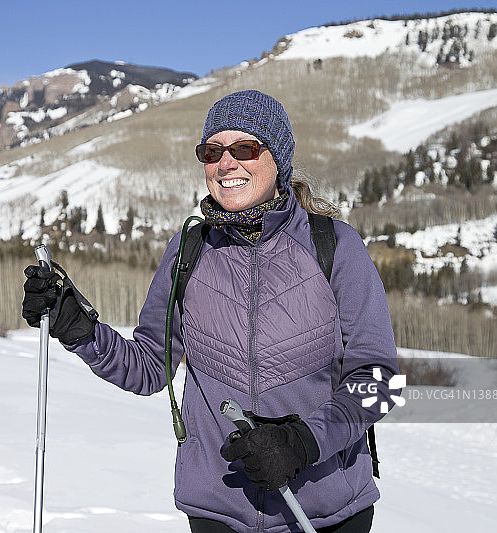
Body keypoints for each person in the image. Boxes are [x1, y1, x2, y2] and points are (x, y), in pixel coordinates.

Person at [22, 90, 400, 533]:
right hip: (219, 512)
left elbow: (380, 382)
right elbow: (148, 368)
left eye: (245, 148)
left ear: (278, 160)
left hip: (327, 512)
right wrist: (79, 328)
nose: (226, 163)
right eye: (212, 151)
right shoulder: (189, 251)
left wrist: (302, 443)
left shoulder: (333, 245)